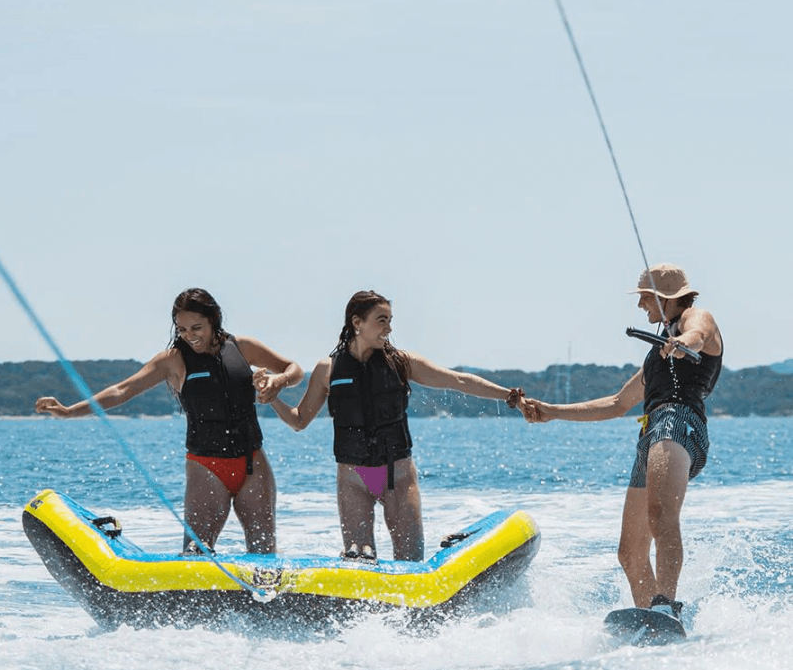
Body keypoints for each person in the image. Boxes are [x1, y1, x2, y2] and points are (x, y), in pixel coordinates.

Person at [520, 264, 723, 621]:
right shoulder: (658, 353)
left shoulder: (695, 317)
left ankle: (666, 605)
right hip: (650, 432)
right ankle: (652, 621)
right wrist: (552, 411)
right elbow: (617, 403)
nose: (640, 305)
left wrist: (682, 343)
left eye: (645, 297)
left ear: (666, 298)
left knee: (661, 516)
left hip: (679, 423)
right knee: (630, 552)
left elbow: (700, 336)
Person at [35, 287, 303, 555]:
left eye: (196, 327)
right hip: (206, 467)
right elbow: (122, 390)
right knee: (197, 553)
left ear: (214, 319)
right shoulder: (173, 360)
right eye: (182, 329)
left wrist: (279, 381)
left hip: (252, 463)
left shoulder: (243, 347)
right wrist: (70, 411)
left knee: (264, 553)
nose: (189, 336)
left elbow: (295, 369)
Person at [262, 290, 524, 562]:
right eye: (382, 320)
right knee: (358, 561)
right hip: (353, 480)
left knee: (410, 561)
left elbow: (457, 381)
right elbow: (299, 420)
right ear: (357, 323)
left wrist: (508, 395)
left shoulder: (401, 362)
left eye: (390, 320)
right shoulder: (327, 369)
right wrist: (272, 398)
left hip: (397, 477)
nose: (389, 328)